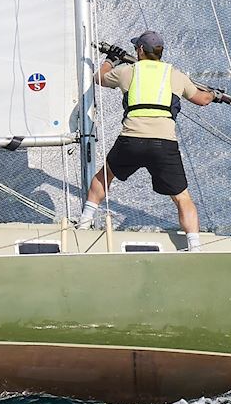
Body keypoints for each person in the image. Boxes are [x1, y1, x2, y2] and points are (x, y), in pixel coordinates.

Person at [78, 30, 217, 250]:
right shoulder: (175, 74)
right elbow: (202, 99)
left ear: (140, 50)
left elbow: (99, 78)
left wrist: (110, 60)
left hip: (131, 140)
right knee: (182, 197)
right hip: (164, 144)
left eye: (136, 48)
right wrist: (214, 94)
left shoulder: (127, 71)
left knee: (104, 176)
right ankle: (195, 247)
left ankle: (83, 226)